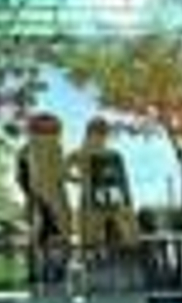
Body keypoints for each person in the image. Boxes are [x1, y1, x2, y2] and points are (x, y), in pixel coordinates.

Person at [66, 116, 134, 288]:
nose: (101, 137)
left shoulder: (82, 153)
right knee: (106, 243)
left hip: (97, 203)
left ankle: (92, 284)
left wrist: (80, 180)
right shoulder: (111, 154)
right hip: (109, 203)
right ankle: (103, 282)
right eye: (101, 133)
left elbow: (63, 173)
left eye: (101, 133)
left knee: (93, 243)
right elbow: (123, 184)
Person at [16, 112, 71, 287]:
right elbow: (61, 174)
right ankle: (53, 275)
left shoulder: (24, 150)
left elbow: (20, 178)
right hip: (53, 202)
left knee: (38, 241)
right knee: (56, 239)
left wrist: (33, 197)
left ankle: (38, 275)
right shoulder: (54, 147)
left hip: (36, 203)